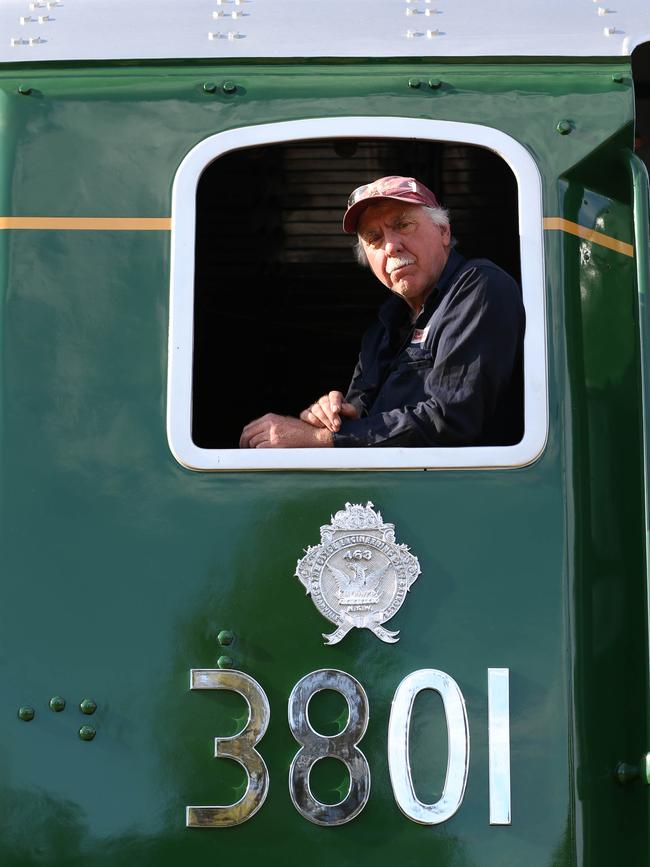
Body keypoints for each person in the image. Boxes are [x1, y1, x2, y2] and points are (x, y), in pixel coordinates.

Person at [239, 175, 524, 449]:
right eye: (374, 238)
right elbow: (361, 421)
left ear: (443, 231)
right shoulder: (382, 329)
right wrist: (328, 417)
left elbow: (451, 418)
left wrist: (319, 441)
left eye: (402, 225)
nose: (390, 246)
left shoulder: (479, 285)